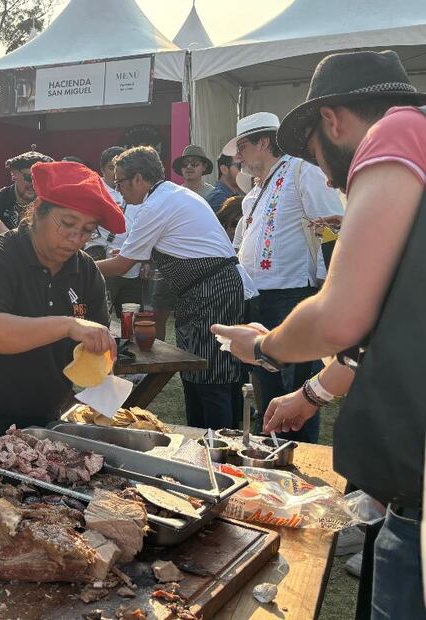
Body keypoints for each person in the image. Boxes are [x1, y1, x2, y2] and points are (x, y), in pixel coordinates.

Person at [212, 50, 426, 618]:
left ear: (331, 120)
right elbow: (374, 335)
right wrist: (311, 394)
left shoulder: (400, 128)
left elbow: (340, 318)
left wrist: (261, 346)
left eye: (315, 155)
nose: (328, 176)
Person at [0, 161, 122, 443]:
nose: (75, 237)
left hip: (45, 418)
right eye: (67, 224)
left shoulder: (86, 271)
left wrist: (102, 380)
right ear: (38, 211)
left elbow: (96, 345)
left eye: (87, 230)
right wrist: (68, 325)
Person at [97, 147, 247, 430]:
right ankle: (199, 436)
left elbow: (123, 265)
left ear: (138, 179)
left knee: (212, 377)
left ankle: (218, 444)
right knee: (194, 372)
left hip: (213, 290)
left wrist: (79, 266)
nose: (118, 189)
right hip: (199, 291)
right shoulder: (173, 195)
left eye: (119, 182)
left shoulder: (156, 205)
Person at [226, 112, 344, 442]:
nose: (238, 157)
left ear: (264, 142)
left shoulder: (300, 169)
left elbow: (332, 225)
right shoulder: (257, 191)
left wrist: (327, 286)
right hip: (261, 298)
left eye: (243, 146)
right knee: (267, 386)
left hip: (292, 297)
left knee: (295, 388)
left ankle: (298, 456)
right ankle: (275, 455)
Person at [98, 146, 143, 317]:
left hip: (132, 263)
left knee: (131, 318)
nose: (116, 172)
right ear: (102, 169)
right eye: (111, 167)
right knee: (102, 317)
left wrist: (145, 261)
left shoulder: (135, 189)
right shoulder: (96, 189)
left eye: (119, 168)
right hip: (105, 259)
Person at [0, 150, 54, 235]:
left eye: (40, 179)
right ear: (14, 174)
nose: (33, 184)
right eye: (29, 178)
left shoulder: (47, 202)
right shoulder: (0, 197)